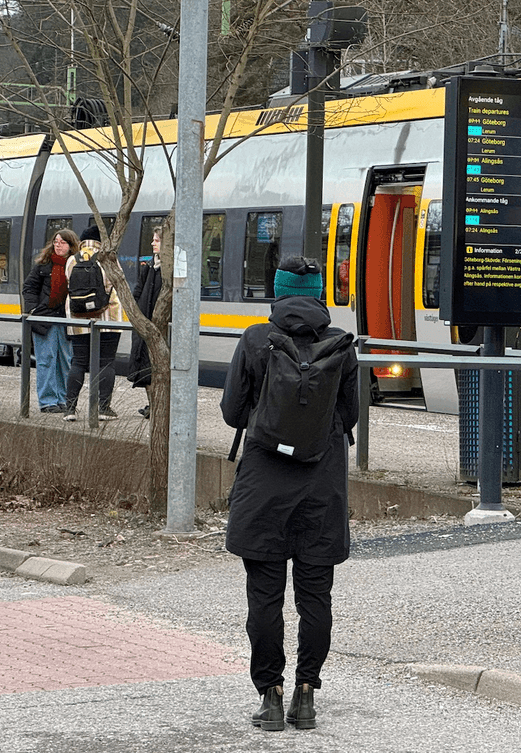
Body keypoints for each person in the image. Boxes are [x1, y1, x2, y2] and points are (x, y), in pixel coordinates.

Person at [220, 256, 359, 732]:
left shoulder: (256, 339)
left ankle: (270, 695)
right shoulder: (340, 342)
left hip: (264, 485)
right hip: (322, 487)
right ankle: (307, 694)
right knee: (316, 597)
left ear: (276, 291)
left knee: (264, 597)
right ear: (319, 292)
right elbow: (351, 416)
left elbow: (232, 411)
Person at [64, 224, 123, 421]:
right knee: (106, 362)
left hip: (78, 318)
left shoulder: (72, 259)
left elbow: (68, 285)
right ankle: (104, 408)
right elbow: (117, 283)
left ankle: (70, 409)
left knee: (78, 362)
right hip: (108, 318)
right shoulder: (108, 258)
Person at [23, 229, 79, 414]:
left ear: (71, 245)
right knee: (46, 359)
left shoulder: (76, 266)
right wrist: (33, 309)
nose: (58, 245)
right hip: (44, 319)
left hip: (66, 320)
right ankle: (47, 401)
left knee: (65, 361)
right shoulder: (43, 266)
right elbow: (29, 288)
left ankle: (62, 399)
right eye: (56, 242)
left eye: (62, 242)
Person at [127, 228, 164, 419]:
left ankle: (158, 406)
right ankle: (152, 404)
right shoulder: (149, 266)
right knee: (145, 369)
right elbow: (138, 291)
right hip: (144, 326)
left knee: (157, 368)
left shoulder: (168, 269)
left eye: (157, 240)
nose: (152, 243)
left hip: (160, 329)